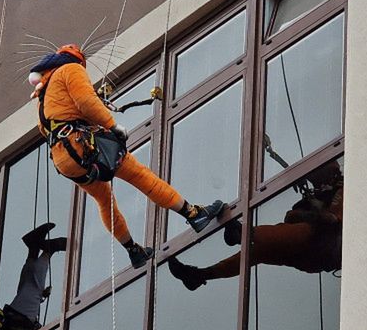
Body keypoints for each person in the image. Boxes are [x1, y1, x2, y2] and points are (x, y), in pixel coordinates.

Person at [27, 43, 225, 269]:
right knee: (140, 176)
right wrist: (112, 126)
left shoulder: (44, 95)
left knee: (104, 200)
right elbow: (86, 102)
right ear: (77, 59)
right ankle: (193, 214)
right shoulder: (71, 70)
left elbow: (50, 127)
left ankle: (133, 250)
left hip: (65, 160)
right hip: (83, 146)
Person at [168, 162, 343, 290]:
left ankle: (243, 233)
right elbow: (291, 217)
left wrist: (316, 212)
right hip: (312, 252)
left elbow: (334, 219)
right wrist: (310, 208)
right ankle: (200, 275)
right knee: (260, 251)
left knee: (307, 230)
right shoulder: (318, 195)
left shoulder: (344, 190)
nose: (318, 185)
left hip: (329, 246)